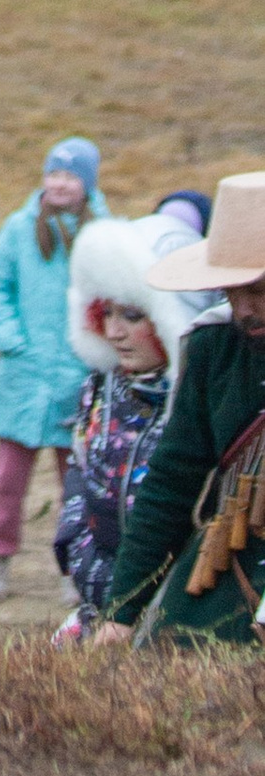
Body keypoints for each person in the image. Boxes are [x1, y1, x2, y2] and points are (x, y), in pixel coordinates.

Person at [106, 177, 265, 644]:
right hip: (226, 566)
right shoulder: (212, 344)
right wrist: (122, 610)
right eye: (232, 291)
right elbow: (174, 478)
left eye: (258, 290)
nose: (244, 309)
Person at [0, 136, 104, 600]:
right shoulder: (18, 228)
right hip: (24, 378)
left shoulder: (104, 232)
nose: (60, 184)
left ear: (87, 182)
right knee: (7, 481)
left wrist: (97, 354)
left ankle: (76, 570)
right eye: (54, 174)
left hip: (79, 377)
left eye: (70, 176)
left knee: (79, 483)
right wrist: (12, 341)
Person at [51, 213, 185, 634]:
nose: (114, 332)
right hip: (98, 603)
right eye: (104, 313)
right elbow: (79, 470)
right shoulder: (100, 389)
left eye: (131, 315)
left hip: (174, 611)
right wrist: (76, 548)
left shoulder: (194, 401)